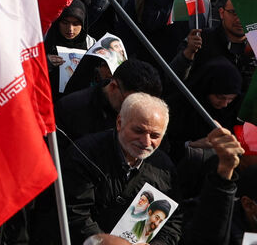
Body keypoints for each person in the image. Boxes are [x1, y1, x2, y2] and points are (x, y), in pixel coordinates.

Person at [63, 93, 241, 245]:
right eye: (139, 131)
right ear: (119, 122)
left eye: (155, 135)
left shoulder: (163, 166)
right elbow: (75, 216)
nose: (146, 142)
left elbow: (173, 220)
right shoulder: (84, 155)